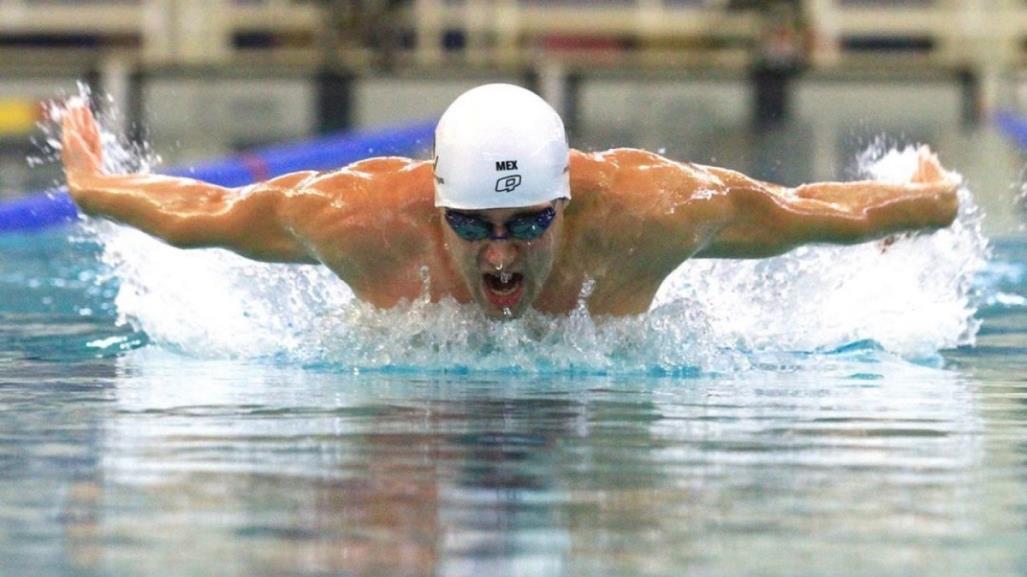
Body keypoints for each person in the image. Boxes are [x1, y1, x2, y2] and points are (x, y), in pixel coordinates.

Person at [61, 83, 959, 320]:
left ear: (568, 204)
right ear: (435, 209)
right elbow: (203, 215)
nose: (501, 255)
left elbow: (808, 212)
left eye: (528, 222)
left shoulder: (649, 212)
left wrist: (921, 205)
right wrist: (98, 188)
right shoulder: (362, 218)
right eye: (475, 228)